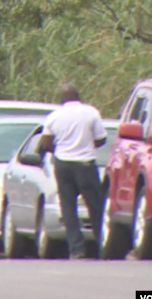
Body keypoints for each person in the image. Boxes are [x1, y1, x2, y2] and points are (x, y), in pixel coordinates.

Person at [40, 83, 108, 260]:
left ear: (62, 99)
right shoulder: (91, 112)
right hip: (85, 164)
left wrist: (59, 149)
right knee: (95, 206)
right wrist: (87, 144)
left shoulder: (53, 116)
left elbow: (46, 143)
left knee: (68, 208)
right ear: (79, 96)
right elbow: (101, 138)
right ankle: (102, 244)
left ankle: (76, 249)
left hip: (62, 166)